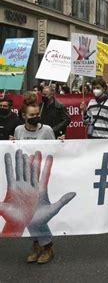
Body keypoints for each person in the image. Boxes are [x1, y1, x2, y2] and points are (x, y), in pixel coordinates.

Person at [14, 99, 56, 263]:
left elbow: (55, 151)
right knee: (28, 214)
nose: (36, 117)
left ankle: (47, 246)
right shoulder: (18, 130)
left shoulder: (46, 130)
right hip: (24, 178)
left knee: (38, 214)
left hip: (40, 179)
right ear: (24, 115)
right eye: (32, 115)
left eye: (37, 114)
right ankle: (37, 244)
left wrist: (61, 144)